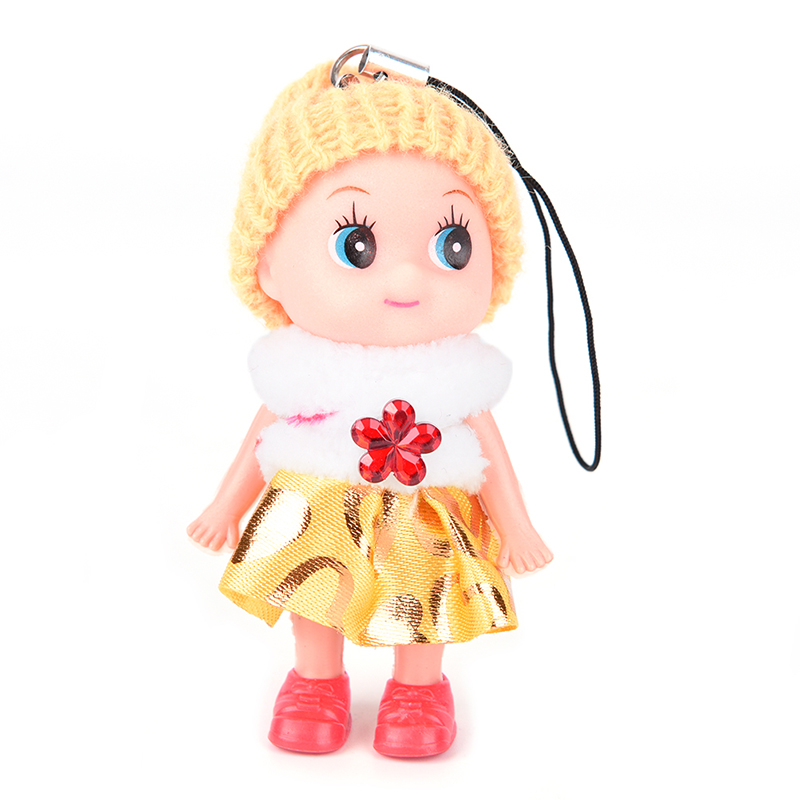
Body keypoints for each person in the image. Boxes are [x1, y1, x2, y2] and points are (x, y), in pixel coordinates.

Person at [187, 59, 552, 758]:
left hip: (426, 511)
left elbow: (487, 450)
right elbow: (264, 435)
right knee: (313, 587)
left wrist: (517, 525)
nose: (409, 275)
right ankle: (315, 679)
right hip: (319, 505)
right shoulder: (303, 368)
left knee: (425, 594)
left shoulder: (454, 374)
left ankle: (419, 688)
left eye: (452, 245)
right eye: (357, 246)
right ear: (268, 267)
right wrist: (225, 505)